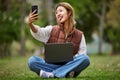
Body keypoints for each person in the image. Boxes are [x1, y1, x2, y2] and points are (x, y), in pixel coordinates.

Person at [28, 2, 90, 78]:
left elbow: (82, 54)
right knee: (32, 61)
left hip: (70, 65)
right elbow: (39, 32)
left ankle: (52, 74)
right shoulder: (51, 29)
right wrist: (31, 24)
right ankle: (64, 73)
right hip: (54, 66)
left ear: (69, 12)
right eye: (56, 13)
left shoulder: (80, 35)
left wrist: (70, 61)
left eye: (60, 11)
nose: (58, 14)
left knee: (85, 59)